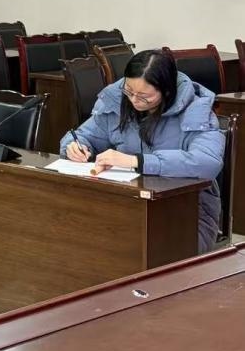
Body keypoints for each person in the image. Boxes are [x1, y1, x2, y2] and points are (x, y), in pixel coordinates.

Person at [61, 49, 224, 253]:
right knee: (84, 239)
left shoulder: (196, 110)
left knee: (141, 251)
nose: (134, 100)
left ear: (167, 91)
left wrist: (138, 161)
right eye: (129, 91)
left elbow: (207, 162)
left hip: (186, 212)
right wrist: (74, 146)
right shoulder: (116, 102)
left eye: (144, 96)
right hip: (129, 203)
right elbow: (83, 135)